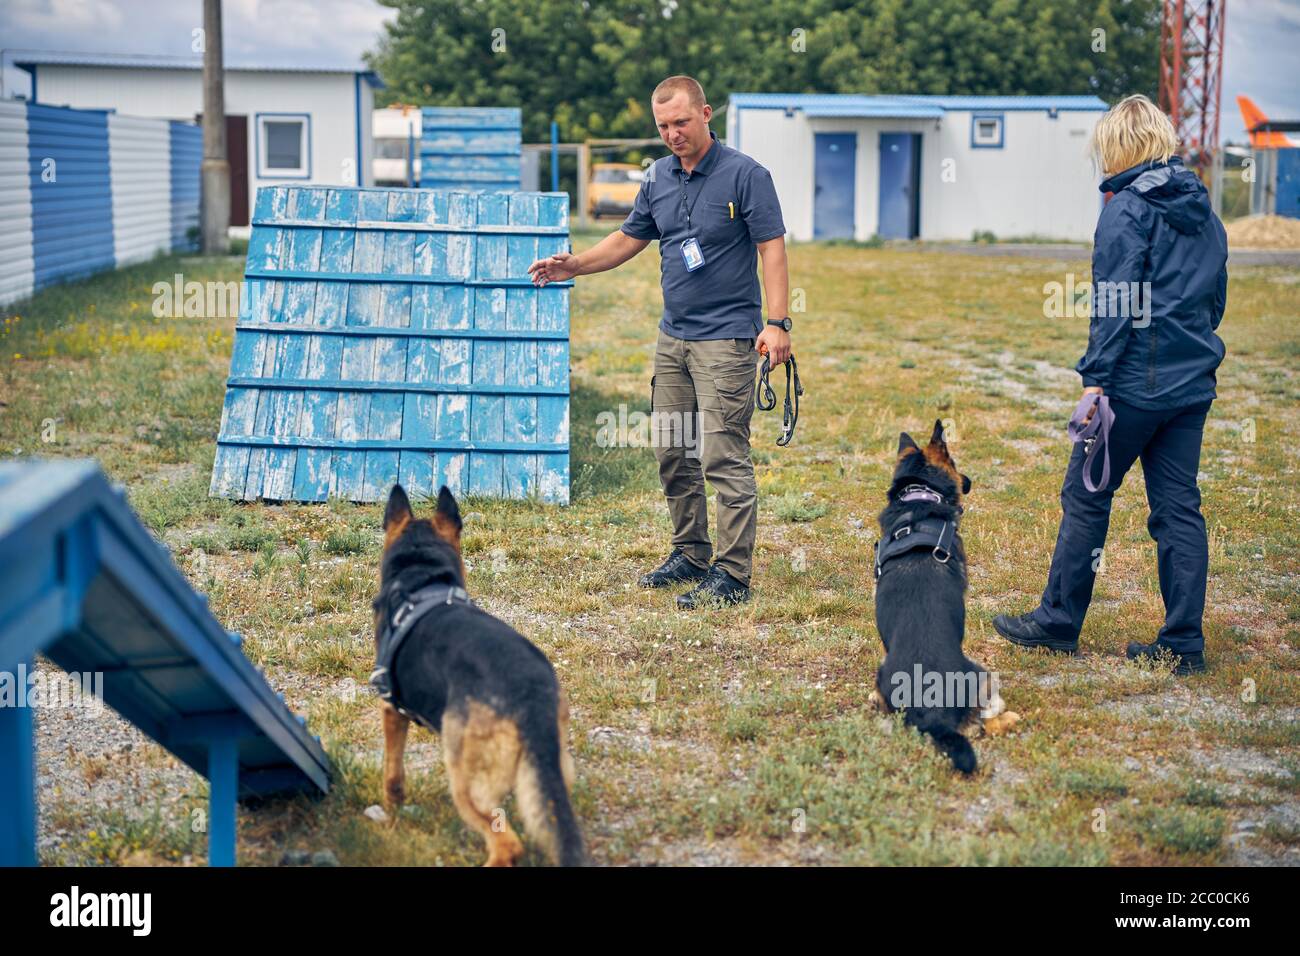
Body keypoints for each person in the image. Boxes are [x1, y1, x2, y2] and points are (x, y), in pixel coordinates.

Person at [528, 75, 792, 609]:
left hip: (726, 340)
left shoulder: (747, 175)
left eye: (681, 122)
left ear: (706, 114)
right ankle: (690, 553)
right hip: (673, 339)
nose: (673, 134)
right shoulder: (657, 178)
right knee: (674, 452)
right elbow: (630, 237)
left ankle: (732, 574)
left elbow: (772, 249)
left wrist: (778, 324)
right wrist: (574, 264)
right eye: (663, 126)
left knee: (722, 455)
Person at [993, 94, 1228, 675]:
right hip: (1191, 385)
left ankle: (1057, 622)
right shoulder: (1204, 210)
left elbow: (1114, 303)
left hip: (1132, 388)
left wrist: (1095, 381)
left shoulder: (1126, 208)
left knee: (1085, 497)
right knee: (1178, 509)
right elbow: (1215, 299)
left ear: (1121, 147)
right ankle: (1183, 643)